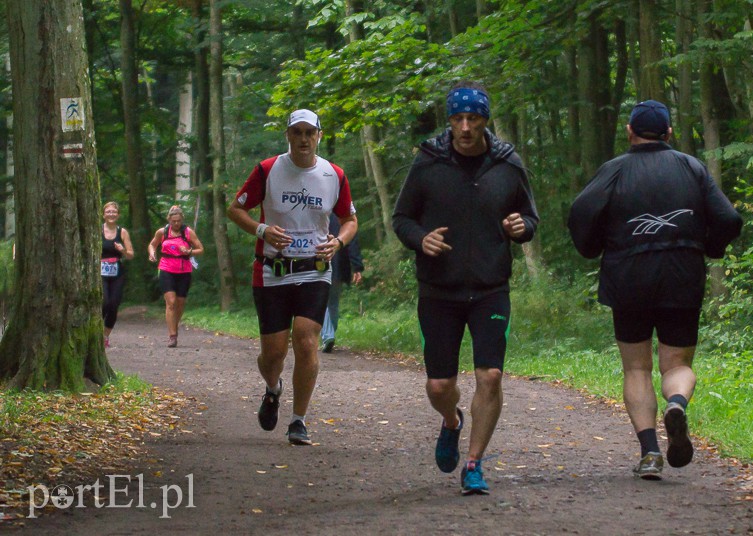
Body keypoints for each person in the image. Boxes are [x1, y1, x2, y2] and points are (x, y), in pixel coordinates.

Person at [568, 100, 743, 480]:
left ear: (629, 132)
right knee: (677, 364)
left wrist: (594, 248)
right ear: (668, 133)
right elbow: (729, 218)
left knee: (636, 367)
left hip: (628, 276)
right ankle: (676, 404)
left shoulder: (613, 170)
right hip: (682, 274)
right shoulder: (690, 166)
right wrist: (707, 247)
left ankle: (650, 453)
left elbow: (580, 212)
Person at [392, 81, 539, 495]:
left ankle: (474, 463)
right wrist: (421, 238)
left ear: (485, 121)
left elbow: (530, 218)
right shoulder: (429, 162)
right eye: (458, 119)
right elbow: (402, 218)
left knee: (489, 375)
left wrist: (521, 227)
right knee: (439, 385)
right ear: (450, 123)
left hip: (491, 288)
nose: (466, 127)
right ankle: (452, 421)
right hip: (440, 289)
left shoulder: (508, 163)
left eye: (473, 118)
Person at [227, 108, 358, 446]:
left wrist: (339, 241)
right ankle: (273, 389)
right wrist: (262, 230)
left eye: (309, 133)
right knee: (273, 354)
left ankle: (298, 420)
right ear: (287, 135)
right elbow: (235, 209)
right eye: (296, 132)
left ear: (319, 135)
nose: (303, 139)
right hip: (273, 271)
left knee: (306, 339)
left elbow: (350, 219)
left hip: (315, 270)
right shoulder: (268, 170)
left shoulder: (334, 175)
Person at [147, 205, 204, 348]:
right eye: (174, 221)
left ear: (182, 219)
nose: (176, 224)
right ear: (169, 220)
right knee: (171, 302)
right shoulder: (162, 232)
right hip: (166, 268)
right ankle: (173, 336)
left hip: (184, 271)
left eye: (178, 221)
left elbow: (201, 249)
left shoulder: (188, 232)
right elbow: (152, 245)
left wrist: (189, 251)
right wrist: (152, 253)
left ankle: (174, 325)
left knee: (180, 302)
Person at [320, 213, 364, 353]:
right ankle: (329, 335)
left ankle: (328, 336)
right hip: (339, 266)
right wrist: (357, 267)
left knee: (321, 301)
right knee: (332, 302)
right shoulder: (345, 216)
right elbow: (353, 241)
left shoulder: (318, 210)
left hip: (320, 263)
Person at [101, 201, 134, 348]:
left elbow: (130, 255)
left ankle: (105, 336)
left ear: (118, 215)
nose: (111, 214)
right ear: (103, 215)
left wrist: (122, 250)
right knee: (104, 302)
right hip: (100, 271)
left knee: (114, 304)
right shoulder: (97, 230)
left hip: (117, 272)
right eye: (108, 211)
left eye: (114, 212)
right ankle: (95, 333)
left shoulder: (122, 232)